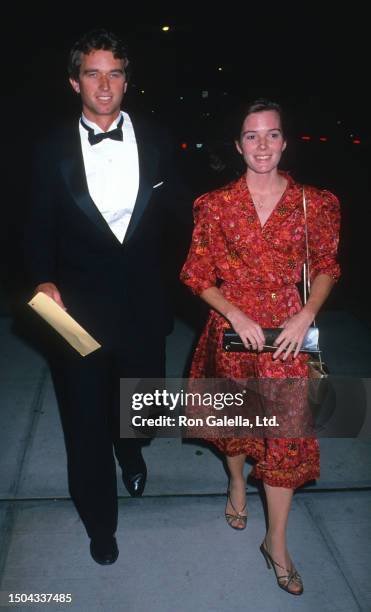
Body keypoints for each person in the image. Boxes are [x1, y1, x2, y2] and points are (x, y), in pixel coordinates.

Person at [24, 28, 185, 565]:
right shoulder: (48, 149)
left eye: (114, 72)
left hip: (144, 305)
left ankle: (132, 450)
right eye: (92, 73)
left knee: (142, 409)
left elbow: (182, 220)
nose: (104, 84)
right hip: (78, 310)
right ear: (75, 82)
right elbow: (32, 226)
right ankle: (100, 523)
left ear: (126, 81)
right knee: (85, 423)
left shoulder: (160, 140)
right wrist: (41, 278)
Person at [181, 99, 340, 595]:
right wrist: (234, 311)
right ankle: (234, 483)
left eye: (272, 134)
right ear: (238, 145)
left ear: (285, 141)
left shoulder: (317, 202)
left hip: (289, 340)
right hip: (233, 334)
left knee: (286, 445)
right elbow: (195, 274)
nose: (263, 144)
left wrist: (307, 312)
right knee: (236, 426)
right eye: (252, 136)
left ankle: (277, 542)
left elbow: (327, 267)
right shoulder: (214, 204)